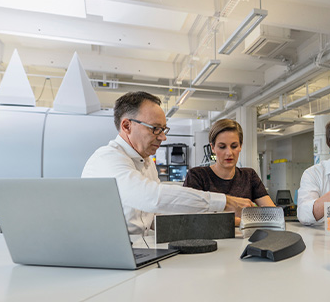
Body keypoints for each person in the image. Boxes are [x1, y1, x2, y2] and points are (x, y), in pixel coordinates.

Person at [82, 91, 253, 235]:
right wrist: (225, 202)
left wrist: (220, 223)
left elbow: (156, 216)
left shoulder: (147, 163)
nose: (163, 137)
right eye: (155, 128)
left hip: (139, 248)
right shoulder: (107, 159)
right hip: (108, 254)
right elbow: (152, 197)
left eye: (164, 129)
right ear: (127, 126)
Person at [184, 118, 274, 211]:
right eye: (222, 147)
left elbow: (272, 213)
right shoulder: (197, 176)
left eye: (234, 146)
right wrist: (241, 220)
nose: (229, 153)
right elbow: (190, 217)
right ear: (213, 148)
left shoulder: (249, 176)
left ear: (240, 146)